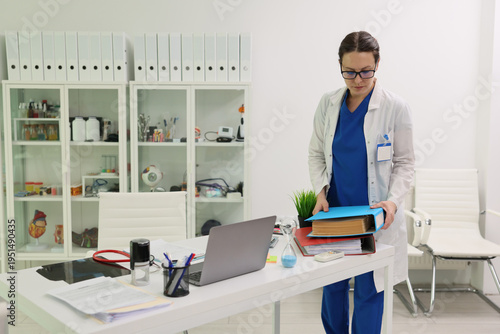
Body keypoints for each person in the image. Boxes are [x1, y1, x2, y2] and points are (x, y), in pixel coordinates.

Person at [308, 31, 415, 334]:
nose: (358, 79)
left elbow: (406, 163)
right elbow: (315, 153)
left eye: (366, 71)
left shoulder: (395, 107)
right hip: (336, 215)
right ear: (340, 67)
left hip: (375, 218)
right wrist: (320, 191)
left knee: (370, 291)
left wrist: (392, 202)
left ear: (378, 64)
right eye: (349, 72)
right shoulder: (328, 104)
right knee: (332, 286)